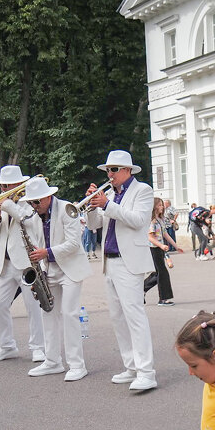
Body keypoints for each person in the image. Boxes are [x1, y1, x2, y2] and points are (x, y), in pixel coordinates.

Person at [85, 149, 157, 392]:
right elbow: (94, 225)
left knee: (135, 316)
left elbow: (138, 221)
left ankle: (147, 372)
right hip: (110, 261)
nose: (110, 173)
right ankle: (131, 366)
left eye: (114, 169)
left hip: (130, 262)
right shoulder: (108, 194)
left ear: (127, 170)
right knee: (117, 317)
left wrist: (108, 204)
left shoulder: (143, 190)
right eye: (107, 169)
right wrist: (93, 207)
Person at [20, 176, 92, 381]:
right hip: (49, 268)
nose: (34, 206)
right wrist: (41, 266)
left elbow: (74, 244)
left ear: (48, 197)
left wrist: (46, 252)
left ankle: (77, 365)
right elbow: (35, 246)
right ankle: (52, 361)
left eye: (36, 202)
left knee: (69, 314)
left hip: (70, 269)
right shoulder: (34, 218)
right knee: (48, 313)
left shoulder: (67, 209)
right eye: (30, 203)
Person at [0, 165, 45, 363]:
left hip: (27, 262)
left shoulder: (30, 200)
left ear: (19, 184)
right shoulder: (1, 205)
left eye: (7, 185)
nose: (3, 189)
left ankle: (38, 347)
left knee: (33, 306)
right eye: (2, 186)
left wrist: (8, 205)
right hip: (6, 262)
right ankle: (7, 346)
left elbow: (29, 221)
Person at [147, 196, 183, 306]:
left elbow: (165, 234)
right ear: (154, 207)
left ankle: (141, 290)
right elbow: (150, 237)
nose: (162, 207)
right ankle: (163, 299)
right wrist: (161, 245)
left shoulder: (161, 220)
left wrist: (176, 246)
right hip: (154, 249)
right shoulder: (152, 221)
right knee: (162, 273)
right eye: (159, 205)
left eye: (162, 204)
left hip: (160, 248)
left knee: (159, 273)